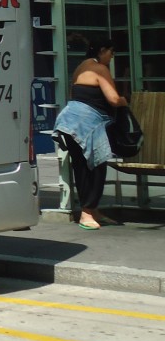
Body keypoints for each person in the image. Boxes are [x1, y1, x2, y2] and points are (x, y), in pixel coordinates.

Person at [53, 37, 127, 230]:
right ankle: (87, 213)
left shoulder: (81, 67)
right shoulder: (100, 69)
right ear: (102, 50)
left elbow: (73, 94)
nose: (112, 57)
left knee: (82, 166)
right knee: (96, 167)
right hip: (87, 126)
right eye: (111, 52)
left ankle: (92, 211)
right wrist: (124, 101)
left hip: (69, 123)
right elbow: (112, 98)